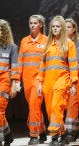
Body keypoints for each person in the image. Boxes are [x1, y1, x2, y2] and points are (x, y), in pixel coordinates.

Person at [36, 15, 79, 146]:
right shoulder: (47, 44)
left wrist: (73, 83)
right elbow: (42, 65)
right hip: (48, 80)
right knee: (50, 110)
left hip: (62, 79)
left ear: (62, 28)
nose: (55, 28)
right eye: (53, 26)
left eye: (58, 26)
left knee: (56, 106)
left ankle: (54, 136)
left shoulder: (69, 44)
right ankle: (63, 134)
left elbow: (73, 65)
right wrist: (40, 82)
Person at [18, 15, 49, 144]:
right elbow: (20, 62)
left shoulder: (47, 40)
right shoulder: (24, 41)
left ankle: (34, 134)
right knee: (33, 107)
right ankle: (42, 130)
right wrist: (16, 80)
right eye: (30, 23)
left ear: (40, 25)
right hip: (26, 80)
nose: (32, 25)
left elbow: (48, 62)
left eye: (35, 23)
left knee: (34, 106)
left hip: (39, 78)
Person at [64, 18, 79, 142]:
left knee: (73, 105)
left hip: (78, 77)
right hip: (63, 77)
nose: (66, 30)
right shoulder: (60, 42)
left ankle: (70, 131)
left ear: (74, 29)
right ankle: (74, 128)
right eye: (64, 27)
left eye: (69, 27)